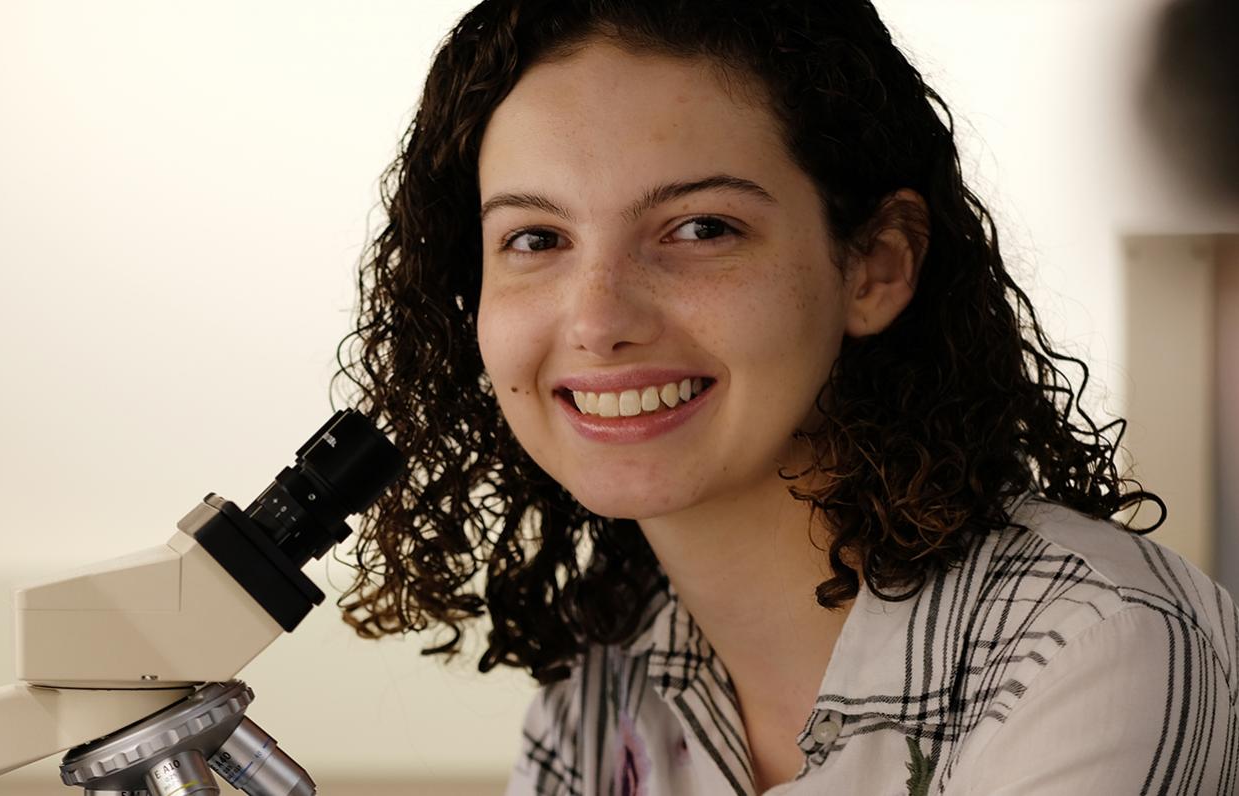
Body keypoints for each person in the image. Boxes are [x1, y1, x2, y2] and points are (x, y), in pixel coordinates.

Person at [329, 1, 1239, 793]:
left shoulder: (1092, 645)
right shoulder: (601, 704)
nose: (598, 319)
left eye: (702, 227)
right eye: (534, 238)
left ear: (877, 266)